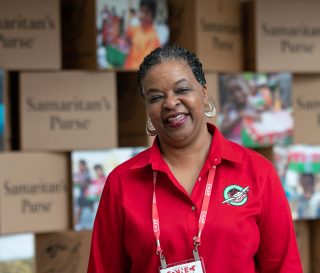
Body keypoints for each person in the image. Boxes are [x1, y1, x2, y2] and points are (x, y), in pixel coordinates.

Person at [87, 46, 303, 273]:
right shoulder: (121, 183)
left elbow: (284, 267)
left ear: (203, 92)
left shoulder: (257, 172)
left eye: (181, 89)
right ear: (148, 109)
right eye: (156, 97)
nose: (170, 103)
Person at [124, 0, 160, 69]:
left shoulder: (154, 37)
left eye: (146, 13)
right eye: (141, 11)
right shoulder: (135, 29)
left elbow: (145, 63)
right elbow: (126, 37)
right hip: (127, 67)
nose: (142, 15)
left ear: (153, 15)